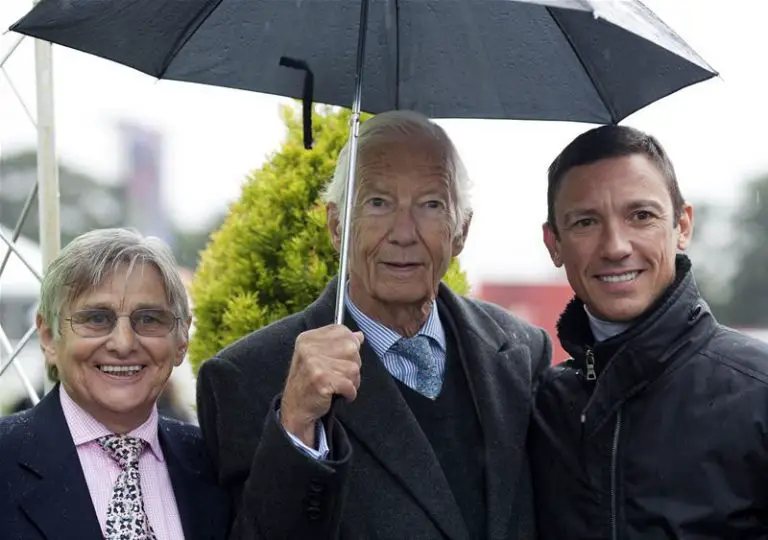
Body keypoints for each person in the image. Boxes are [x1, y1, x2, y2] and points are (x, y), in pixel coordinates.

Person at [197, 110, 551, 539]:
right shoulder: (248, 377)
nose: (403, 233)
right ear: (336, 226)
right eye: (378, 203)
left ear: (461, 230)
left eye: (431, 205)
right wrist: (296, 431)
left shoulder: (522, 352)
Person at [530, 125, 768, 539]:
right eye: (586, 222)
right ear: (554, 244)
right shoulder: (540, 409)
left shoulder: (758, 393)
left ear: (682, 226)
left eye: (641, 216)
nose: (615, 246)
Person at [0, 228, 231, 540]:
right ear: (49, 336)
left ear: (181, 339)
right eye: (97, 319)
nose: (124, 344)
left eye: (149, 319)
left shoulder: (216, 464)